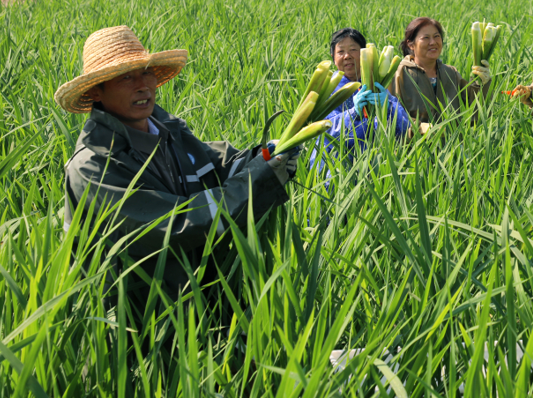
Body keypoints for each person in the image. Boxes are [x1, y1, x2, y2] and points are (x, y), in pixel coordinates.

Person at [56, 25, 300, 305]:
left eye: (146, 71)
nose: (142, 85)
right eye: (125, 77)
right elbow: (175, 224)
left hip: (200, 302)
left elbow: (214, 167)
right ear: (96, 92)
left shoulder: (167, 131)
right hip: (139, 322)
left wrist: (266, 157)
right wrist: (258, 178)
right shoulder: (95, 165)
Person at [307, 28, 411, 174]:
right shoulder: (326, 90)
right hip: (333, 167)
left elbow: (405, 128)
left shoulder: (376, 86)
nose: (347, 56)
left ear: (364, 54)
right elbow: (321, 129)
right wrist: (353, 113)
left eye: (353, 50)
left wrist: (388, 108)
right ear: (333, 57)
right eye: (341, 52)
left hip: (374, 167)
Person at [389, 17, 491, 123]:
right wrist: (422, 129)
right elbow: (393, 116)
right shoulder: (400, 74)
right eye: (426, 38)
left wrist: (482, 84)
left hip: (453, 139)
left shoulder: (450, 73)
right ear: (411, 45)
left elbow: (478, 112)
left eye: (436, 36)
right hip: (414, 139)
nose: (433, 42)